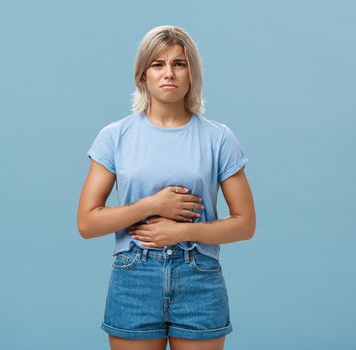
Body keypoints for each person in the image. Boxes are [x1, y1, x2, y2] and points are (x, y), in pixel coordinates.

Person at [77, 25, 256, 350]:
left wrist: (182, 233)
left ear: (192, 73)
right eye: (158, 64)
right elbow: (87, 224)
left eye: (179, 63)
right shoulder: (114, 137)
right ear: (142, 74)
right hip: (134, 276)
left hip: (198, 275)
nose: (168, 73)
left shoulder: (219, 138)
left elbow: (245, 224)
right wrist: (152, 205)